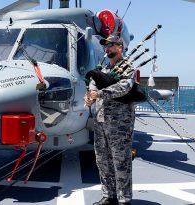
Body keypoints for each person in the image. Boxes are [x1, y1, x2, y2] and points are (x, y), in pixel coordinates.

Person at [85, 36, 135, 205]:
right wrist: (89, 97)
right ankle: (108, 195)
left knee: (121, 160)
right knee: (102, 160)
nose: (107, 48)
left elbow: (124, 87)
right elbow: (92, 82)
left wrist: (100, 93)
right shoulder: (104, 68)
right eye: (106, 45)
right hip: (100, 120)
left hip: (120, 123)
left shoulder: (127, 67)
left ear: (120, 47)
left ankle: (124, 199)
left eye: (111, 45)